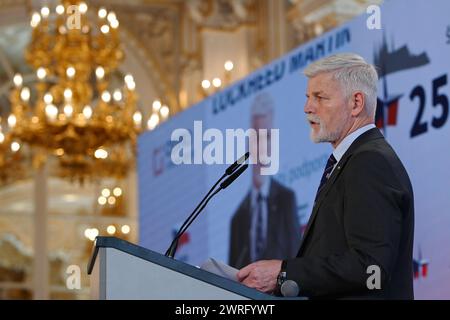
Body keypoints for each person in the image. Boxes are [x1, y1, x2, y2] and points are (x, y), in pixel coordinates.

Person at [236, 53, 415, 299]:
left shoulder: (369, 162)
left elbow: (371, 268)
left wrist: (283, 273)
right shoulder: (353, 161)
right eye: (308, 97)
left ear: (356, 103)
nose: (307, 107)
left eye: (320, 97)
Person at [229, 92, 301, 269]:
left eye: (267, 137)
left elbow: (297, 263)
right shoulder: (237, 218)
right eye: (256, 138)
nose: (261, 147)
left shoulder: (287, 199)